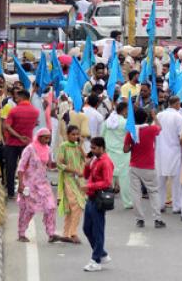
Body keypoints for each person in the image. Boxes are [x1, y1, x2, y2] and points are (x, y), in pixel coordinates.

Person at [16, 128, 59, 243]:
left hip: (42, 184)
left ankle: (51, 233)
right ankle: (21, 233)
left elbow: (49, 165)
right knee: (28, 210)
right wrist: (21, 184)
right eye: (45, 137)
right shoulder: (29, 149)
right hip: (29, 184)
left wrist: (58, 164)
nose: (47, 140)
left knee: (51, 207)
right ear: (39, 137)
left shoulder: (48, 150)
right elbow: (21, 167)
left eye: (49, 138)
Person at [124, 107, 165, 229]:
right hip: (149, 166)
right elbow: (160, 128)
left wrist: (133, 146)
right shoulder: (151, 129)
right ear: (146, 118)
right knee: (154, 192)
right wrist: (154, 117)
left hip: (134, 166)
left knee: (136, 194)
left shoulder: (131, 132)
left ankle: (140, 219)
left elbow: (125, 149)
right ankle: (157, 219)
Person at [82, 137, 114, 272]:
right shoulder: (95, 160)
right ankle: (102, 253)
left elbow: (107, 182)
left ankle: (96, 260)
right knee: (87, 228)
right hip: (90, 198)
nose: (92, 150)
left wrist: (90, 185)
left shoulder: (106, 162)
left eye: (94, 148)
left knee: (97, 230)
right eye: (91, 148)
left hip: (99, 199)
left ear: (102, 147)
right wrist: (86, 165)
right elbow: (85, 175)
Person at [4, 90, 40, 199]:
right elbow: (35, 124)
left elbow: (7, 126)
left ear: (20, 97)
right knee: (27, 168)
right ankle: (27, 191)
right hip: (27, 143)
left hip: (12, 143)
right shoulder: (35, 111)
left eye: (17, 97)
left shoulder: (14, 111)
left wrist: (19, 136)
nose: (16, 99)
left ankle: (10, 192)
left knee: (11, 168)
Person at [56, 125, 86, 243]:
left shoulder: (77, 146)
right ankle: (73, 233)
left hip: (79, 180)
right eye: (73, 134)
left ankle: (66, 233)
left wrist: (81, 146)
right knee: (76, 205)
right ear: (67, 135)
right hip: (68, 179)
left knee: (71, 208)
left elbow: (85, 159)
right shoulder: (63, 146)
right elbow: (59, 163)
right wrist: (73, 170)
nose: (75, 136)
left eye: (77, 134)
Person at [155, 96, 182, 213]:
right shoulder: (179, 117)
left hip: (160, 151)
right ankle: (177, 206)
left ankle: (160, 205)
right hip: (174, 151)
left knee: (160, 180)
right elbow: (181, 136)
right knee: (176, 181)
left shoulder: (159, 115)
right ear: (177, 104)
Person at [100, 102, 132, 209]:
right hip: (123, 154)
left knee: (108, 178)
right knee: (124, 179)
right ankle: (127, 202)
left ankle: (104, 200)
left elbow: (101, 136)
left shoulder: (107, 122)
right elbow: (131, 138)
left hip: (109, 153)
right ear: (123, 110)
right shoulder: (125, 123)